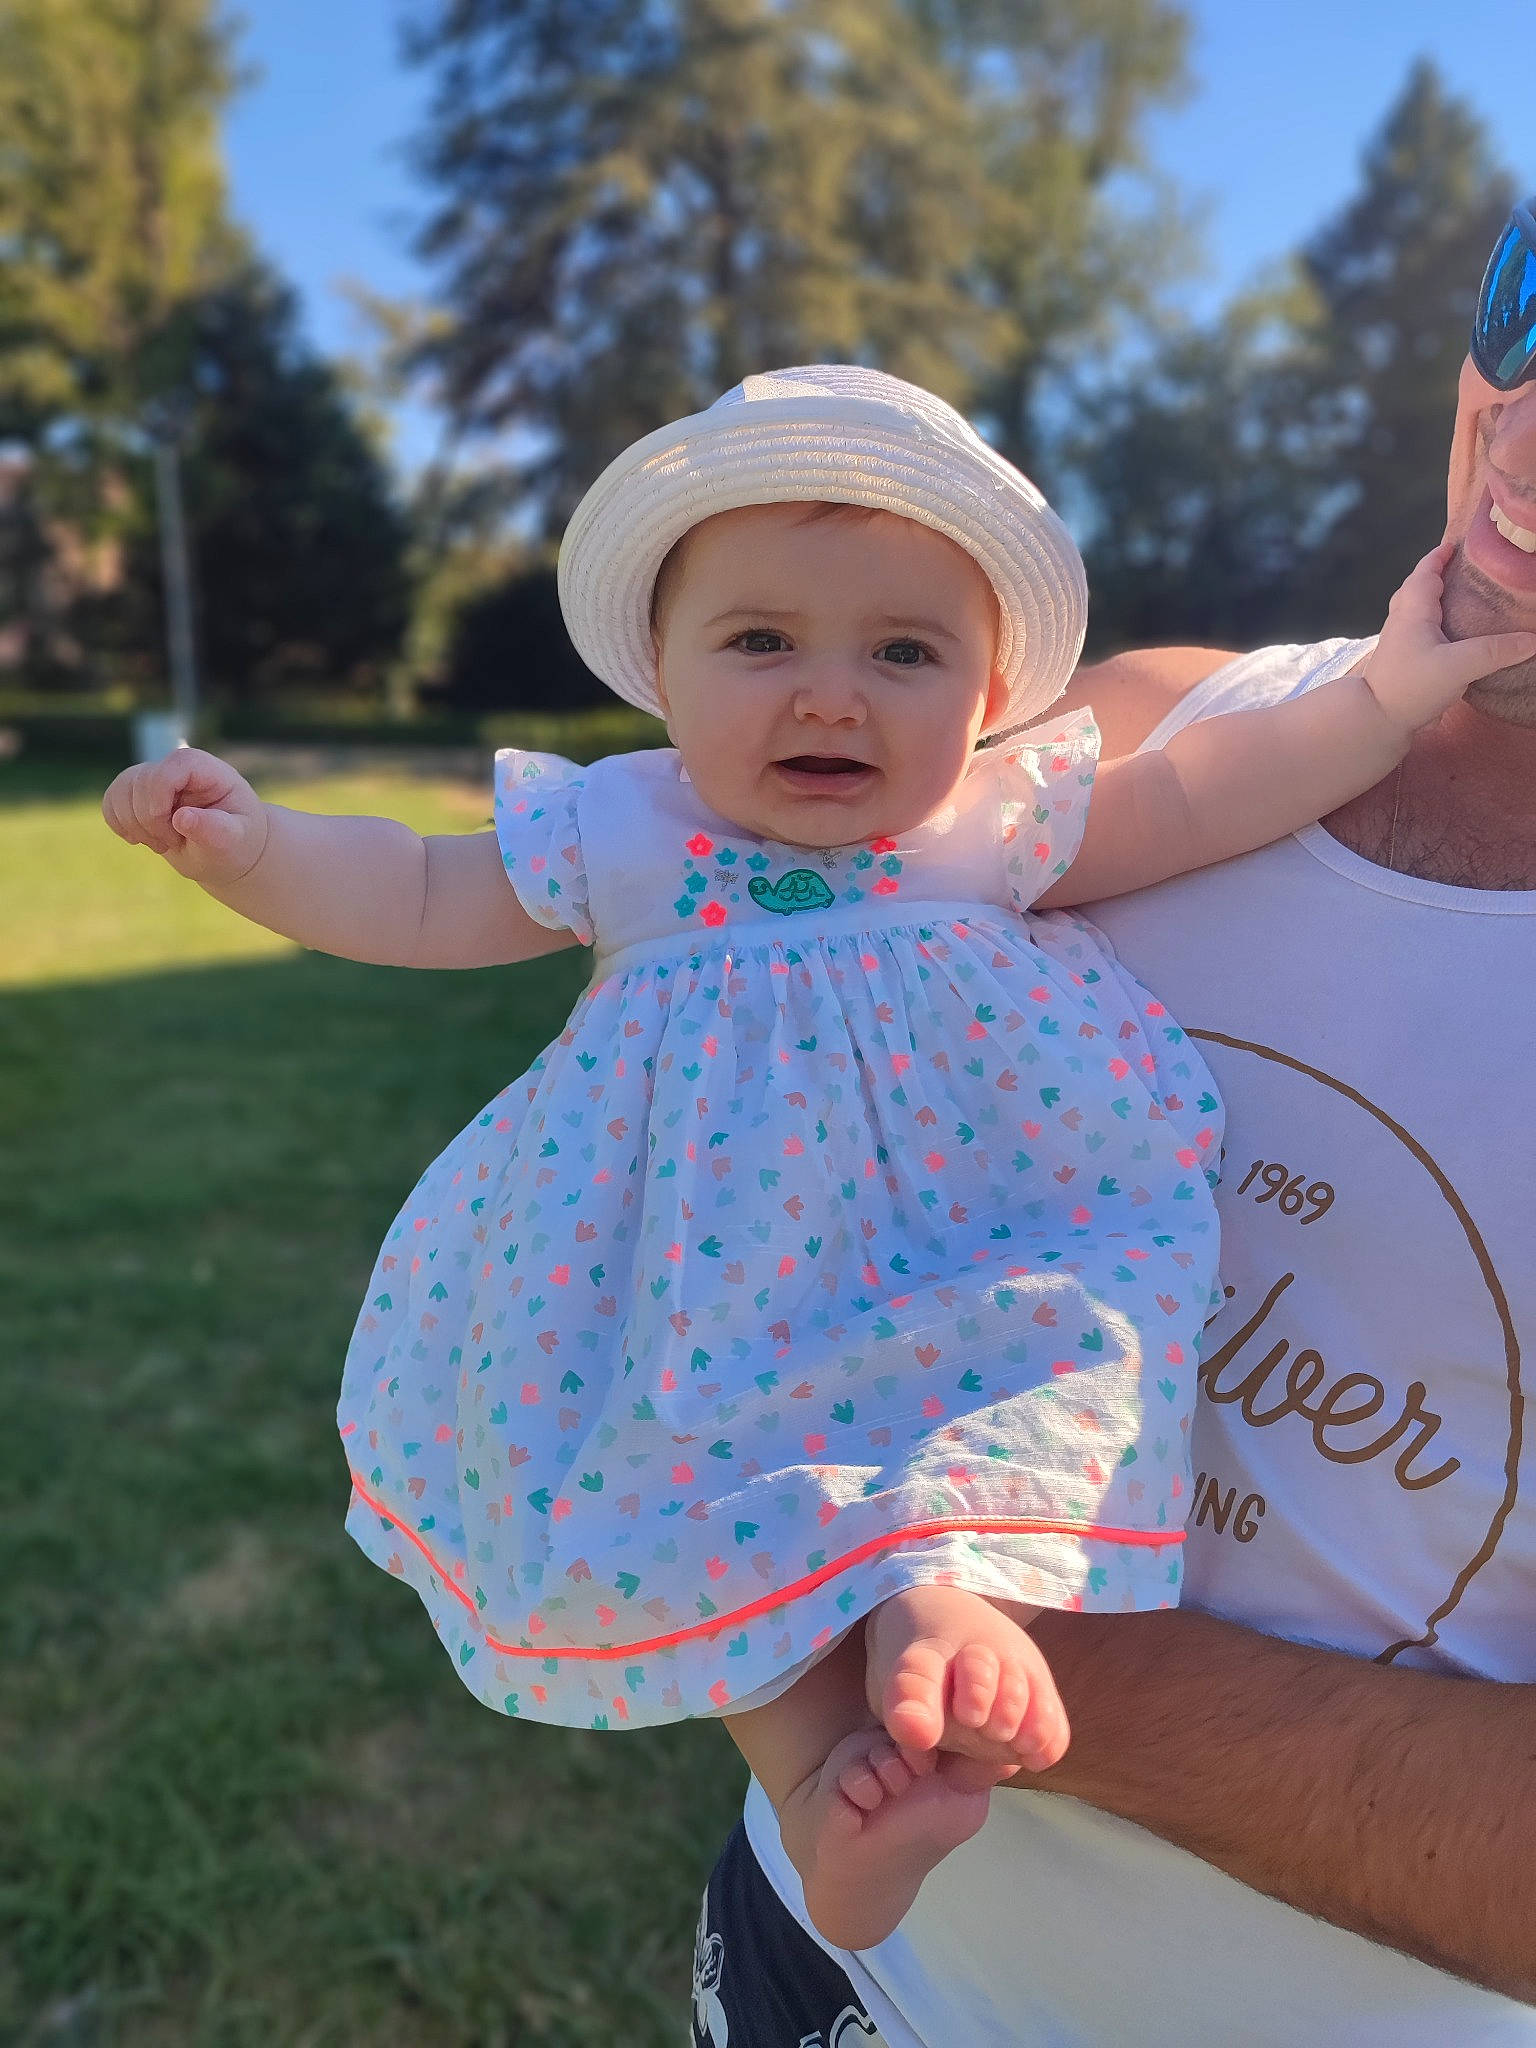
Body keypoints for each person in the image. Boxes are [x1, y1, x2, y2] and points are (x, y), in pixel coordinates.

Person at [101, 365, 1529, 1957]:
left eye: (903, 653)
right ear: (662, 670)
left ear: (991, 700)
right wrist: (251, 846)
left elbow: (1207, 787)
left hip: (965, 1237)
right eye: (762, 642)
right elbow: (427, 897)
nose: (830, 695)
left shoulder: (982, 828)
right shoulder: (629, 830)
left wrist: (1387, 697)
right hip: (712, 1265)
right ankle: (817, 1788)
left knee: (1027, 1363)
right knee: (700, 1471)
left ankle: (956, 1594)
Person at [691, 205, 1536, 2042]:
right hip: (811, 1969)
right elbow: (739, 922)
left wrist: (922, 1621)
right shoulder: (1131, 727)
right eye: (1532, 297)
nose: (1528, 438)